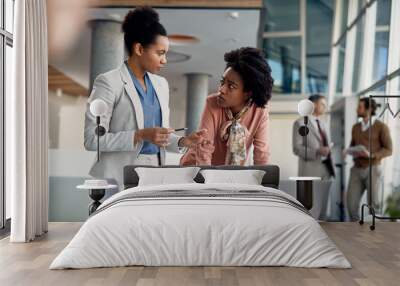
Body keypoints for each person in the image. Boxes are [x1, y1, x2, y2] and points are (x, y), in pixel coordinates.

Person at [84, 7, 206, 190]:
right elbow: (93, 139)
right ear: (139, 49)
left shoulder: (161, 85)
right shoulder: (108, 82)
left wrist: (183, 141)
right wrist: (139, 135)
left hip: (155, 174)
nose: (164, 60)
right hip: (118, 175)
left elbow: (160, 136)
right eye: (160, 53)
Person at [180, 47, 273, 166]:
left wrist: (262, 182)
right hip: (195, 168)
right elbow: (204, 150)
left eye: (231, 86)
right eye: (222, 82)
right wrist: (206, 183)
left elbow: (262, 154)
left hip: (228, 175)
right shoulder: (212, 103)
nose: (221, 89)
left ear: (248, 93)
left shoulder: (260, 111)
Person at [345, 98, 392, 221]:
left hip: (373, 168)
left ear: (369, 109)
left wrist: (372, 155)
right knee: (351, 205)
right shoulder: (355, 127)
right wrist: (348, 151)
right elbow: (352, 145)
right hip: (356, 169)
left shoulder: (381, 127)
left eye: (360, 107)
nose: (357, 109)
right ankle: (357, 233)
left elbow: (389, 149)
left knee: (373, 206)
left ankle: (372, 236)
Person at [292, 94, 335, 219]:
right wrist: (317, 151)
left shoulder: (324, 123)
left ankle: (324, 231)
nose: (325, 107)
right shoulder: (300, 123)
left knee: (324, 205)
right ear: (313, 104)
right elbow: (297, 148)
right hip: (310, 169)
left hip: (326, 168)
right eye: (323, 104)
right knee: (310, 206)